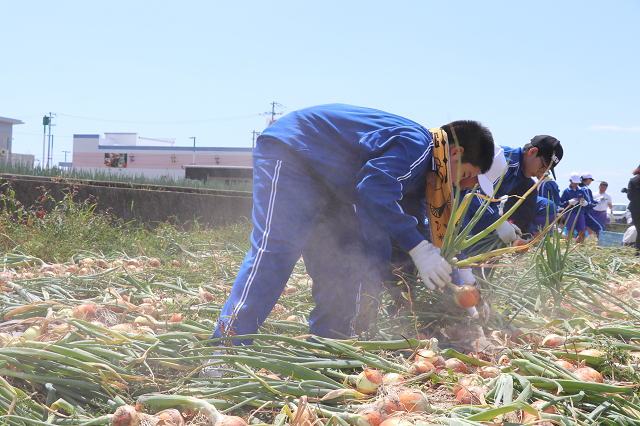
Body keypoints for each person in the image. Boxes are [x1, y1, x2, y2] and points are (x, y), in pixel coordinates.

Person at [206, 104, 496, 352]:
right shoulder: (419, 146)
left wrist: (460, 289)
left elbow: (415, 228)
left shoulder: (429, 175)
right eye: (468, 174)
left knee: (345, 259)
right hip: (294, 152)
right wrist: (420, 249)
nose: (463, 184)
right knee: (277, 248)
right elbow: (373, 189)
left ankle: (329, 346)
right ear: (455, 153)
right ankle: (225, 349)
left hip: (333, 182)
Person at [459, 135, 564, 247]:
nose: (540, 174)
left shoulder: (520, 173)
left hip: (475, 213)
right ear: (532, 152)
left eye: (545, 172)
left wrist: (500, 223)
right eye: (543, 168)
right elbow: (474, 194)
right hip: (460, 206)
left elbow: (491, 198)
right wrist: (497, 222)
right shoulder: (505, 163)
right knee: (461, 252)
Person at [560, 172, 588, 243]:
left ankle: (577, 247)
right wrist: (569, 202)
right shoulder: (566, 191)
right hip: (570, 213)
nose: (576, 184)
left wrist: (584, 203)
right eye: (574, 182)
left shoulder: (582, 190)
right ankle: (567, 248)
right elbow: (560, 203)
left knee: (582, 233)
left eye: (577, 182)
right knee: (570, 233)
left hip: (580, 212)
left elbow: (587, 200)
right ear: (570, 180)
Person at [579, 172, 603, 238]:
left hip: (579, 213)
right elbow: (589, 203)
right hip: (587, 213)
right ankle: (601, 245)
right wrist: (597, 201)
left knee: (581, 232)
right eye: (591, 180)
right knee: (600, 228)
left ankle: (579, 245)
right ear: (588, 179)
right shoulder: (586, 189)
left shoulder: (578, 188)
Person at [627, 164, 640, 254]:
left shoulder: (633, 180)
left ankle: (638, 251)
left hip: (636, 209)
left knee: (639, 230)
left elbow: (630, 196)